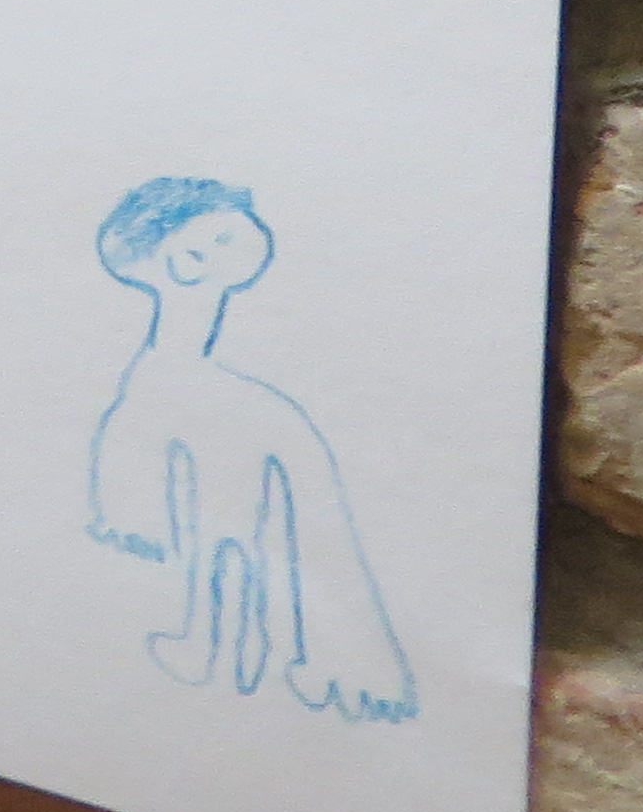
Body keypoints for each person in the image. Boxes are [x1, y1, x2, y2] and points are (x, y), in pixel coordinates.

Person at [85, 177, 417, 723]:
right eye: (219, 238)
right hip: (213, 409)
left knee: (230, 537)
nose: (247, 237)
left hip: (230, 419)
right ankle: (217, 648)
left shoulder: (203, 388)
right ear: (185, 259)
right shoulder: (177, 380)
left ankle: (222, 650)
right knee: (227, 537)